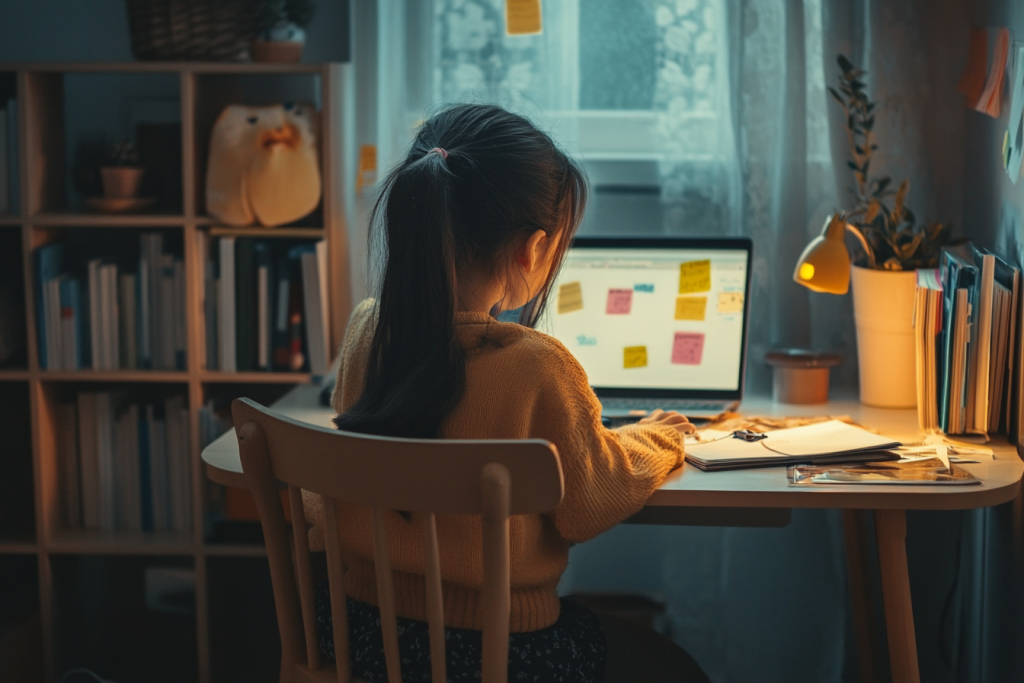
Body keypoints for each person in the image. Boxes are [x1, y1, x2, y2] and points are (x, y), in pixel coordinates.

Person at [304, 103, 709, 683]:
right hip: (495, 652)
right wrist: (658, 438)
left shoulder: (368, 331)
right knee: (678, 670)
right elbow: (589, 499)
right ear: (532, 249)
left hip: (361, 637)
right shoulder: (539, 369)